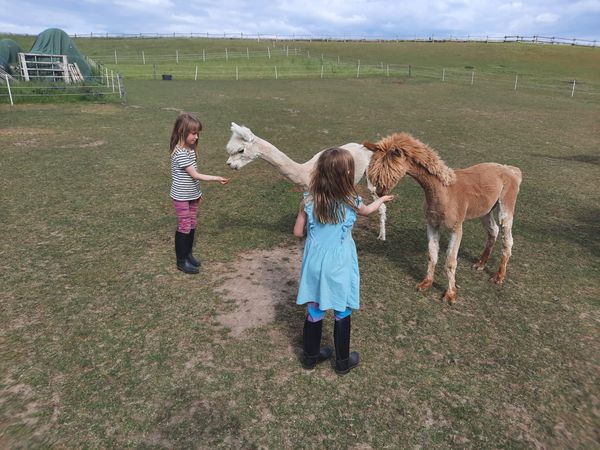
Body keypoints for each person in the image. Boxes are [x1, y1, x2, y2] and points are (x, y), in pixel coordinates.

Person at [293, 147, 394, 374]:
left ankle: (310, 357)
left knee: (315, 309)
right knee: (342, 309)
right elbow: (366, 211)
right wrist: (382, 200)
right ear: (346, 174)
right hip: (340, 264)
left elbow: (298, 232)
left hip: (314, 264)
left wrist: (316, 235)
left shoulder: (308, 200)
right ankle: (342, 362)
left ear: (320, 172)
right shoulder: (351, 200)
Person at [170, 112, 229, 274]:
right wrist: (217, 178)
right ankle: (181, 261)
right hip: (181, 197)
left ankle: (188, 255)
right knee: (184, 226)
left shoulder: (189, 149)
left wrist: (198, 194)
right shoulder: (180, 153)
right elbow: (195, 175)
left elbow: (193, 178)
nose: (196, 137)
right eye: (193, 133)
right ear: (182, 132)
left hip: (192, 196)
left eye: (197, 133)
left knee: (192, 224)